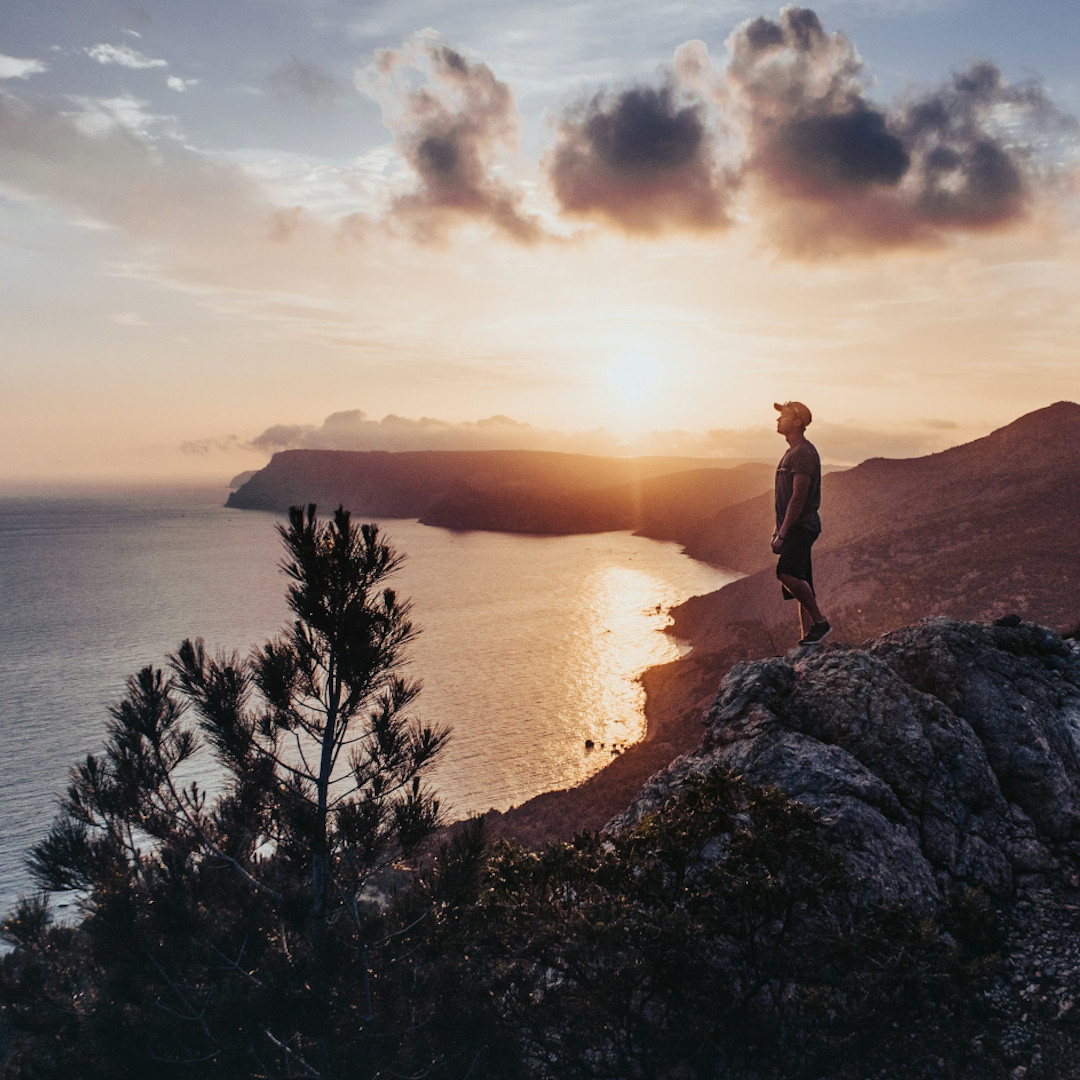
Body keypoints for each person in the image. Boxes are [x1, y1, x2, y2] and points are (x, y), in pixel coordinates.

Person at [771, 400, 831, 645]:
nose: (778, 419)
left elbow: (798, 496)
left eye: (783, 416)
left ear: (797, 421)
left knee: (786, 573)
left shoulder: (802, 453)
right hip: (795, 526)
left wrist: (783, 533)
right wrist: (778, 530)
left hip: (800, 526)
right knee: (802, 582)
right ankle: (809, 638)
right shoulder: (793, 452)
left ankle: (820, 623)